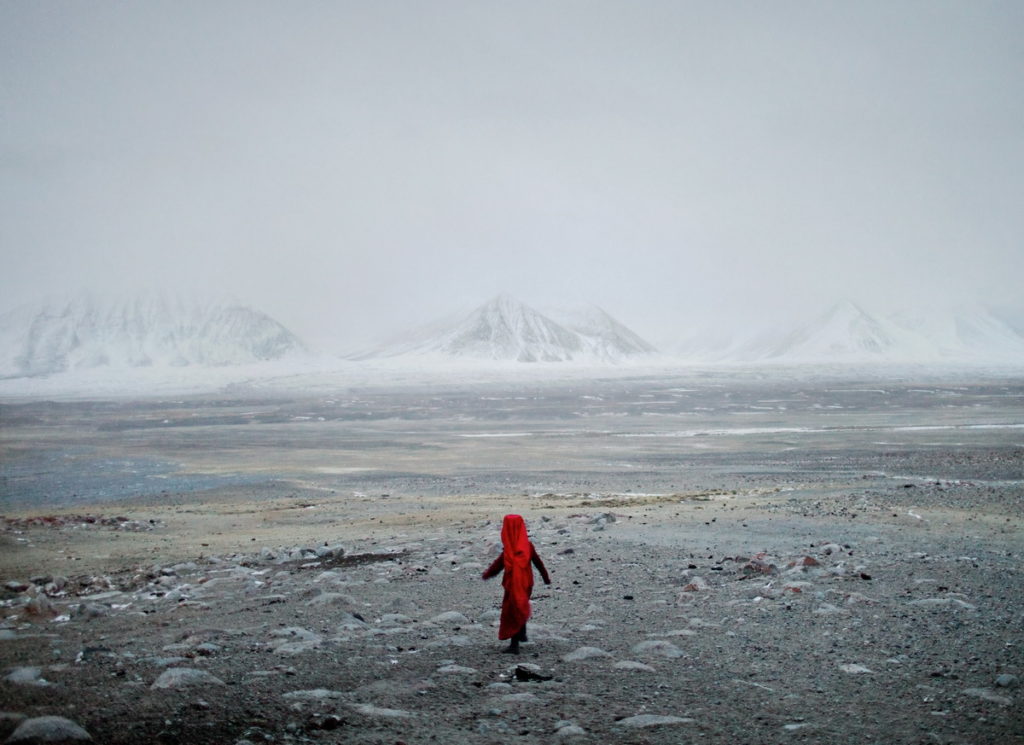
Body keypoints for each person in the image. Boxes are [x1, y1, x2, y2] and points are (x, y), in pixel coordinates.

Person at [481, 514, 551, 654]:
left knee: (512, 611)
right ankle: (522, 632)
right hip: (526, 583)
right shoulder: (527, 546)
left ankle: (514, 645)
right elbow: (538, 563)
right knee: (520, 605)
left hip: (512, 584)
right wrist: (545, 578)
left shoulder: (509, 549)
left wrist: (487, 575)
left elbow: (498, 565)